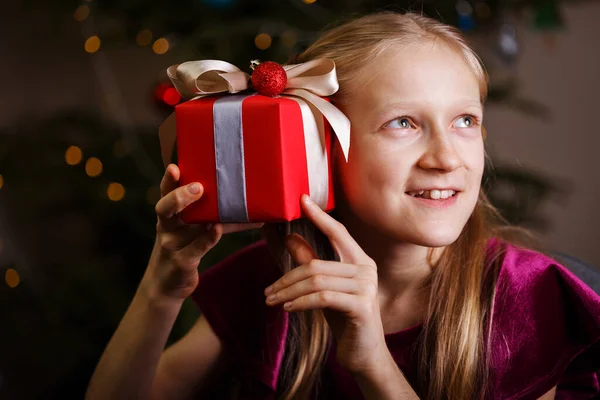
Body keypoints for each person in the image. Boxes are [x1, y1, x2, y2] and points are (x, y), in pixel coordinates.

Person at [86, 12, 600, 400]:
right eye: (403, 123)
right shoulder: (272, 283)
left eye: (465, 120)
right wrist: (161, 289)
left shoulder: (530, 300)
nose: (448, 157)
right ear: (319, 149)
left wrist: (373, 365)